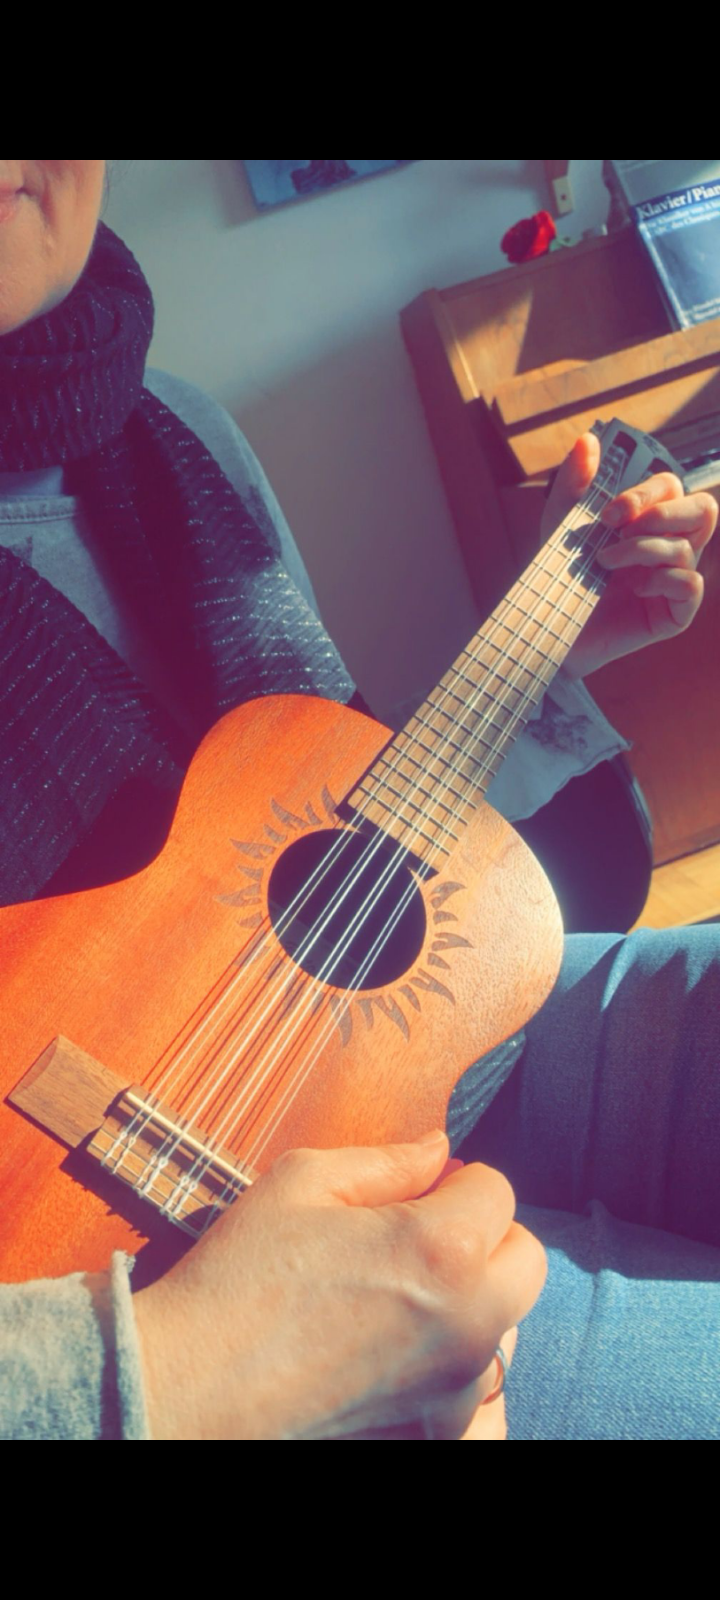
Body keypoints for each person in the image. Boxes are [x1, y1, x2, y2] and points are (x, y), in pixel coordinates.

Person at [0, 160, 718, 1441]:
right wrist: (163, 1369)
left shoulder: (173, 429)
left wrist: (542, 666)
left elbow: (326, 849)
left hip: (414, 1056)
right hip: (140, 1289)